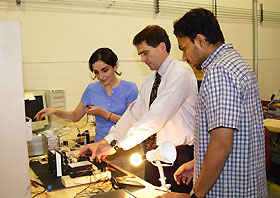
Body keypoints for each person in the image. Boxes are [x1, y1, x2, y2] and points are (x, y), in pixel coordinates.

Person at [158, 8, 267, 198]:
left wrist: (195, 195)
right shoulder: (236, 63)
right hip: (247, 186)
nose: (184, 57)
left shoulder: (219, 72)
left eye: (184, 48)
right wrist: (198, 163)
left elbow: (221, 146)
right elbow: (236, 137)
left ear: (200, 40)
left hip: (228, 191)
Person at [79, 25, 198, 193]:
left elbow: (157, 117)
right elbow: (132, 116)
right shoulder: (150, 81)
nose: (142, 59)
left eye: (145, 53)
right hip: (154, 156)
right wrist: (106, 141)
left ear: (162, 47)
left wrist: (118, 145)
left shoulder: (180, 72)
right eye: (140, 54)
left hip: (179, 157)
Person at [35, 47, 138, 143]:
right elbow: (75, 116)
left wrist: (103, 113)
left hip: (124, 144)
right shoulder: (92, 89)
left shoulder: (130, 88)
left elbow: (131, 123)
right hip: (100, 145)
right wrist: (55, 111)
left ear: (115, 66)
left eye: (105, 70)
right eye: (96, 72)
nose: (101, 76)